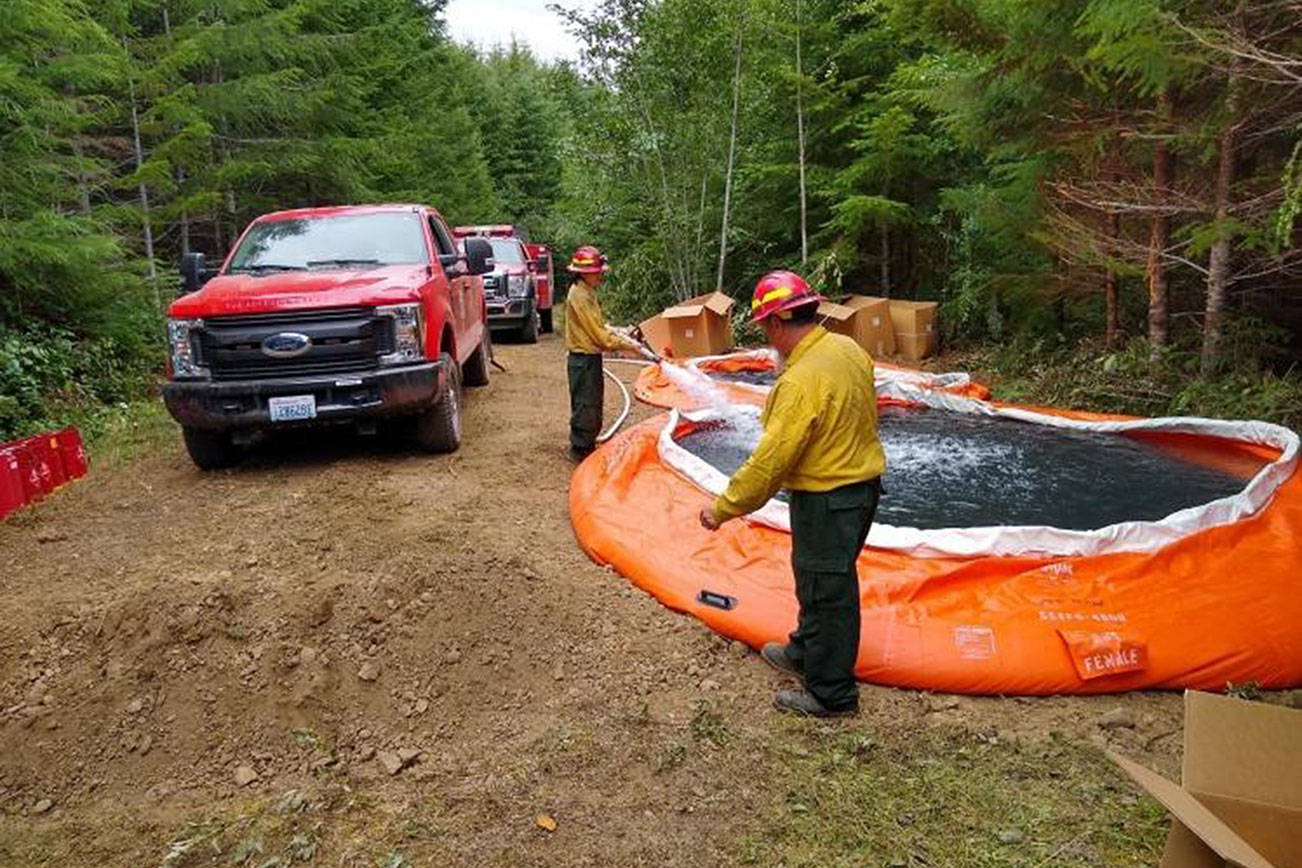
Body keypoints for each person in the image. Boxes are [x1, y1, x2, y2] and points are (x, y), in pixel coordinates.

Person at [698, 271, 885, 717]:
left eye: (765, 326)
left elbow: (771, 461)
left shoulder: (800, 381)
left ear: (777, 321)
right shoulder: (847, 349)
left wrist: (723, 508)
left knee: (827, 592)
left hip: (829, 498)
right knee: (817, 579)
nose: (767, 337)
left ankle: (832, 694)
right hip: (858, 489)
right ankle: (804, 651)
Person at [563, 245, 644, 458]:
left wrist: (621, 333)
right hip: (583, 360)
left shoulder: (586, 291)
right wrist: (629, 346)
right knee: (586, 404)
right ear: (583, 273)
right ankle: (581, 449)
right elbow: (600, 337)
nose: (600, 276)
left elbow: (599, 326)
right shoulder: (580, 296)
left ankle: (587, 443)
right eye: (596, 273)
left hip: (589, 358)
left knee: (592, 402)